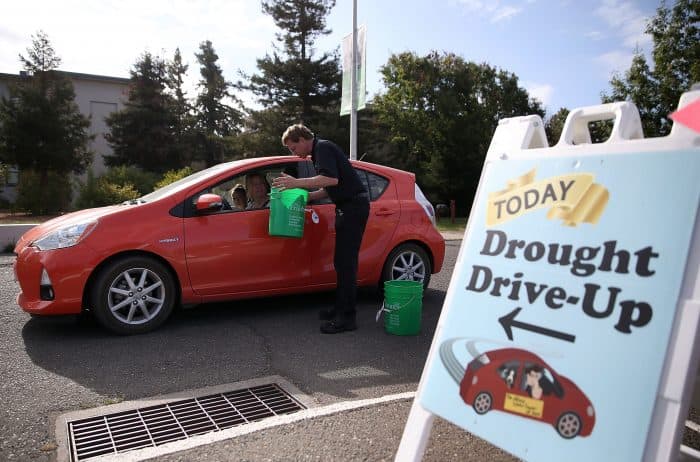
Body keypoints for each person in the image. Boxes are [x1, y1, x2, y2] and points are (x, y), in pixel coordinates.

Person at [274, 124, 369, 334]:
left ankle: (347, 318)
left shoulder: (323, 148)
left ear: (301, 140)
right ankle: (340, 308)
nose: (294, 153)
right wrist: (304, 196)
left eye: (293, 148)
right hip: (347, 207)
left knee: (346, 264)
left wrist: (296, 182)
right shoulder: (318, 152)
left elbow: (331, 179)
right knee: (340, 262)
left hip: (353, 207)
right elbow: (328, 189)